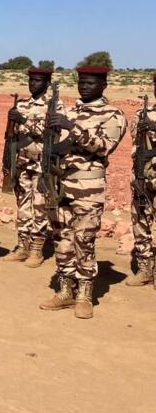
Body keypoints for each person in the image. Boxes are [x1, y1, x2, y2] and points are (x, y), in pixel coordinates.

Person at [38, 65, 126, 319]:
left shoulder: (113, 115)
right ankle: (65, 290)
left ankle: (85, 293)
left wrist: (71, 126)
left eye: (90, 83)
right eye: (81, 82)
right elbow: (52, 146)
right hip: (60, 183)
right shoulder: (69, 110)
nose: (84, 86)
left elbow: (103, 147)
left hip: (88, 186)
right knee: (61, 237)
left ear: (103, 85)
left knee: (83, 239)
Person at [4, 67, 63, 267]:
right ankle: (22, 245)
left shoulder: (55, 106)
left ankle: (37, 249)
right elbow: (12, 136)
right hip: (22, 161)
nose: (33, 84)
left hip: (42, 163)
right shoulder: (22, 105)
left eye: (37, 81)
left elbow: (52, 134)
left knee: (39, 206)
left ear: (47, 84)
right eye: (31, 80)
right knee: (22, 205)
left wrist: (24, 121)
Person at [126, 73, 156, 287]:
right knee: (140, 222)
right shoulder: (142, 114)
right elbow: (135, 143)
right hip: (143, 176)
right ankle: (145, 268)